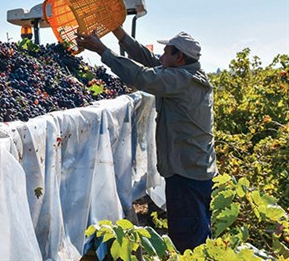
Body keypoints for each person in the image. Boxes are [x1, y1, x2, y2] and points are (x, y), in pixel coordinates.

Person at [79, 27, 217, 253]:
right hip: (195, 170)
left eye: (166, 53)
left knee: (189, 242)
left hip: (186, 175)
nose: (161, 57)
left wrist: (102, 50)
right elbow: (150, 61)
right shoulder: (188, 73)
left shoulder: (181, 80)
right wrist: (118, 32)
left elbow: (142, 76)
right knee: (199, 232)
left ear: (179, 57)